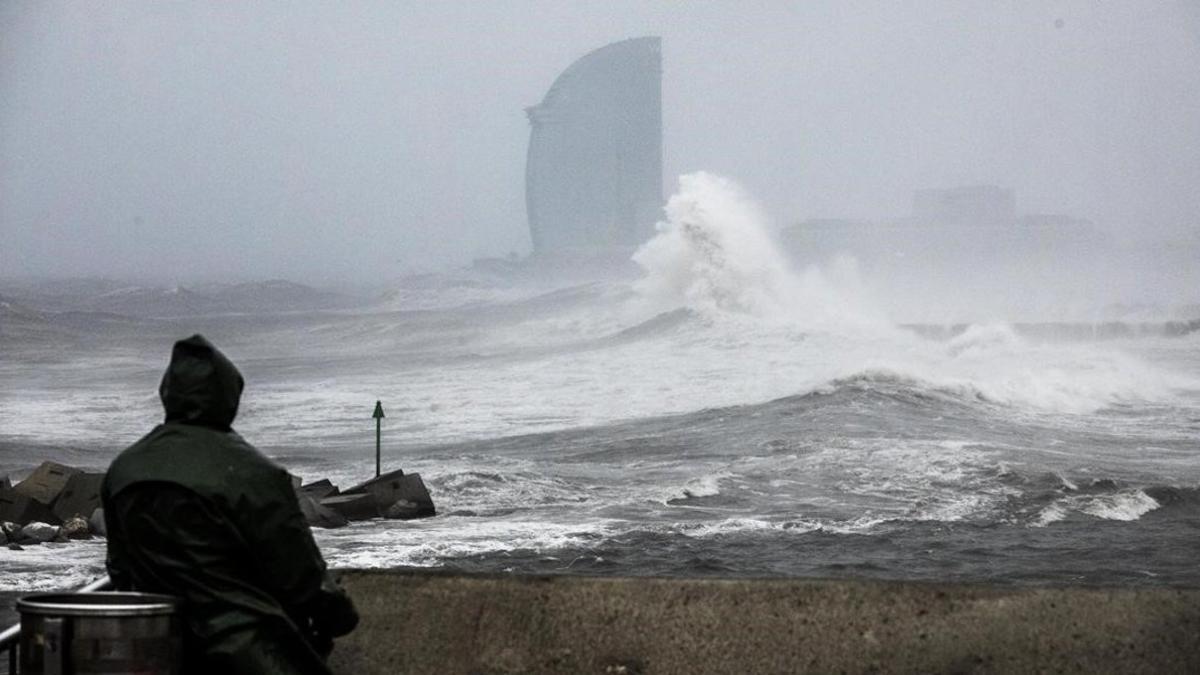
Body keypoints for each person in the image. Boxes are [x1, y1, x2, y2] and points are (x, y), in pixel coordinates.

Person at [102, 334, 358, 674]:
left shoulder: (124, 469)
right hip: (246, 650)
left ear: (168, 394)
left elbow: (119, 569)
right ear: (228, 397)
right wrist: (340, 614)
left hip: (156, 647)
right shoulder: (255, 473)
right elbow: (301, 575)